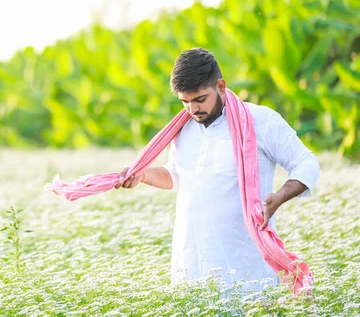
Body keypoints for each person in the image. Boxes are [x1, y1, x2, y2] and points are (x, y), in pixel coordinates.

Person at [115, 47, 320, 294]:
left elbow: (306, 162)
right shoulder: (184, 128)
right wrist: (143, 175)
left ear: (221, 86)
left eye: (200, 99)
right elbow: (178, 176)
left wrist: (279, 197)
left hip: (246, 269)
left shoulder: (261, 121)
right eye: (185, 102)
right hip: (192, 263)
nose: (192, 110)